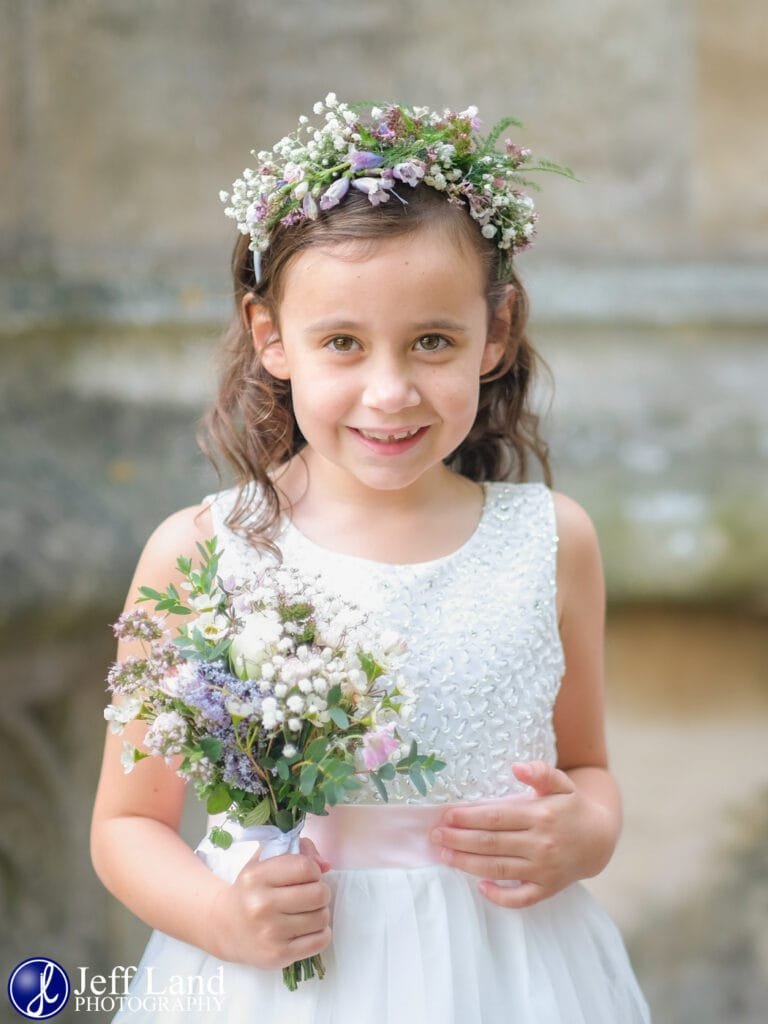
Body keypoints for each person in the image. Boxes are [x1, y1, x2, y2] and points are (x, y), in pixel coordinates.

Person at [91, 95, 651, 1023]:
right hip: (281, 978)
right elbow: (126, 825)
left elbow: (587, 767)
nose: (389, 393)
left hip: (510, 975)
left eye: (433, 341)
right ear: (272, 337)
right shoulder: (200, 551)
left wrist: (584, 833)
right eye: (342, 343)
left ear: (496, 333)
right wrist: (223, 918)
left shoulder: (554, 540)